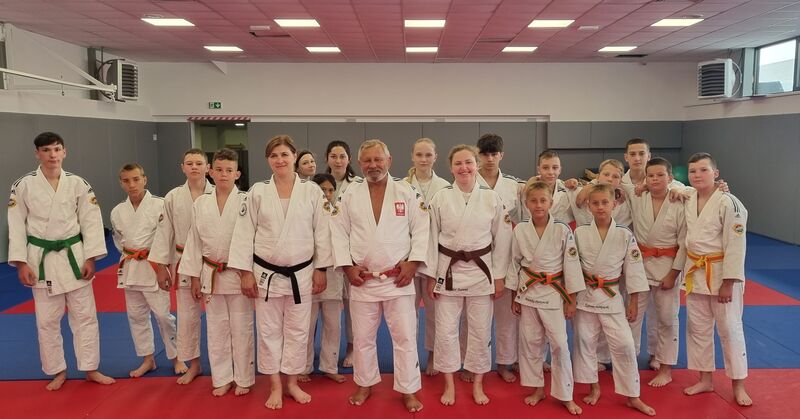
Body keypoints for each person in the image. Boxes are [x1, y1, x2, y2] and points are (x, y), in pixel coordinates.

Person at [229, 135, 332, 409]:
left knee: (298, 331)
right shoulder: (257, 192)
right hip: (266, 274)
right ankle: (275, 385)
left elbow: (322, 232)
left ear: (294, 157)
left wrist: (321, 268)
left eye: (285, 154)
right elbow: (243, 234)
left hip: (302, 273)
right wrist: (245, 273)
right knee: (268, 331)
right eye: (274, 155)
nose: (280, 160)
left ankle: (292, 383)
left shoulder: (312, 191)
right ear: (268, 160)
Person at [7, 131, 115, 390]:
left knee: (85, 317)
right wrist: (21, 262)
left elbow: (91, 221)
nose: (52, 155)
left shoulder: (79, 184)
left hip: (74, 257)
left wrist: (91, 257)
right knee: (47, 321)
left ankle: (90, 368)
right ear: (37, 154)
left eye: (56, 149)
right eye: (46, 150)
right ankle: (57, 370)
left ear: (64, 152)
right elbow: (16, 225)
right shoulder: (23, 185)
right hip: (40, 260)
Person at [330, 139, 429, 413]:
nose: (373, 165)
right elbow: (338, 232)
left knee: (405, 337)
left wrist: (413, 263)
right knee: (362, 338)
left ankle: (408, 388)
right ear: (359, 164)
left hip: (399, 279)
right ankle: (364, 383)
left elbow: (422, 228)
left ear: (389, 161)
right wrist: (347, 267)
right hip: (363, 279)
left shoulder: (407, 191)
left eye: (378, 159)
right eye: (367, 161)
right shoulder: (349, 194)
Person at [422, 144, 512, 406]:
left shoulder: (491, 198)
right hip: (447, 270)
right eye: (458, 163)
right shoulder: (440, 198)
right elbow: (430, 239)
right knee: (445, 330)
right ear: (451, 168)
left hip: (481, 272)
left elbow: (503, 239)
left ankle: (478, 383)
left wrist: (499, 276)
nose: (464, 168)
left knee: (480, 331)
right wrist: (431, 275)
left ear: (476, 165)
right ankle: (449, 384)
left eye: (468, 162)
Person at [572, 183, 655, 416]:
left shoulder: (624, 234)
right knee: (585, 342)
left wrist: (634, 301)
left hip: (612, 297)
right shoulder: (579, 233)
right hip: (586, 296)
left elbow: (634, 270)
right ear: (588, 206)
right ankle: (594, 387)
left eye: (605, 203)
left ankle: (632, 395)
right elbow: (571, 267)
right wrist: (570, 299)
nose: (600, 207)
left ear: (614, 204)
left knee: (625, 344)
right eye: (595, 203)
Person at [179, 148, 254, 397]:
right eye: (219, 170)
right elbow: (194, 242)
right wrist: (193, 277)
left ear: (237, 174)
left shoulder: (247, 201)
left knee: (241, 328)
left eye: (229, 170)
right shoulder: (201, 203)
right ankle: (222, 377)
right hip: (210, 273)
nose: (223, 174)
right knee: (216, 328)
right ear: (210, 172)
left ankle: (244, 378)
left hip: (237, 273)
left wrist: (248, 273)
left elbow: (252, 240)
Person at [681, 152, 751, 406]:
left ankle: (739, 385)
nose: (697, 175)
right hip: (695, 273)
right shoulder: (688, 197)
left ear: (716, 173)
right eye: (693, 171)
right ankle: (705, 379)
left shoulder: (729, 202)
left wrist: (729, 282)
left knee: (730, 330)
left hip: (721, 274)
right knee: (697, 329)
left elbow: (736, 245)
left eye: (703, 170)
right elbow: (668, 186)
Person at [507, 181, 583, 415]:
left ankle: (565, 394)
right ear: (526, 203)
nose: (538, 205)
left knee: (559, 343)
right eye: (533, 201)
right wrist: (514, 296)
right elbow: (514, 263)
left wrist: (571, 299)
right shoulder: (520, 229)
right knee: (530, 342)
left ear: (551, 202)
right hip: (528, 292)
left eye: (543, 200)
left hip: (553, 292)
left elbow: (571, 265)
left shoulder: (562, 229)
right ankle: (537, 388)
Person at [149, 148, 213, 384]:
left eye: (199, 163)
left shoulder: (218, 193)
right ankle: (194, 364)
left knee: (219, 317)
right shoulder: (173, 197)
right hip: (183, 260)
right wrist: (161, 267)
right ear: (182, 168)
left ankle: (224, 365)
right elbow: (164, 232)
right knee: (187, 317)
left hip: (212, 262)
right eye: (189, 163)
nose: (194, 167)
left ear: (208, 167)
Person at [111, 164, 180, 378]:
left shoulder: (160, 205)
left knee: (163, 315)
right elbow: (119, 242)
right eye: (126, 180)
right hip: (131, 267)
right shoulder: (117, 211)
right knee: (136, 316)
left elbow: (168, 239)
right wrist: (133, 255)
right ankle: (148, 359)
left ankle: (176, 357)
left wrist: (165, 266)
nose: (132, 184)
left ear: (145, 179)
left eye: (136, 179)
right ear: (121, 183)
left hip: (154, 266)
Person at [624, 158, 686, 387]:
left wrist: (673, 274)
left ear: (671, 178)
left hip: (667, 267)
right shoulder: (637, 196)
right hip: (639, 265)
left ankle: (665, 366)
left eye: (660, 175)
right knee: (632, 316)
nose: (655, 179)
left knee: (667, 318)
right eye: (650, 176)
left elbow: (684, 243)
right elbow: (609, 184)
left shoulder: (680, 199)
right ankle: (629, 362)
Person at [475, 133, 524, 383]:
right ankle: (472, 364)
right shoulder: (467, 181)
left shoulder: (515, 186)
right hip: (475, 259)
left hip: (506, 257)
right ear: (478, 155)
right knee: (474, 319)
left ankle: (505, 362)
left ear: (501, 155)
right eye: (485, 154)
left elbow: (523, 221)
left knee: (507, 316)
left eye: (494, 154)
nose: (489, 159)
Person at [404, 137, 450, 376]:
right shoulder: (401, 186)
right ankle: (409, 357)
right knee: (407, 313)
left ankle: (433, 355)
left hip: (436, 256)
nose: (423, 159)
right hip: (409, 256)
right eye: (419, 155)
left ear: (435, 157)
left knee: (434, 312)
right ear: (412, 157)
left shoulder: (445, 187)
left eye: (428, 155)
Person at [300, 173, 347, 384]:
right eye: (322, 190)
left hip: (334, 275)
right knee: (306, 325)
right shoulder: (304, 213)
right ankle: (303, 366)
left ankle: (330, 365)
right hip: (308, 273)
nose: (327, 194)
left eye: (330, 190)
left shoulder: (340, 213)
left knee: (333, 326)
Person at [325, 140, 362, 368]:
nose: (338, 161)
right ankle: (324, 352)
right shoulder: (317, 184)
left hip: (351, 254)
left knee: (352, 305)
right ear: (327, 159)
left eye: (342, 156)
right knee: (324, 307)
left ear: (349, 159)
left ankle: (352, 346)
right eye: (334, 156)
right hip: (326, 255)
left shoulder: (359, 185)